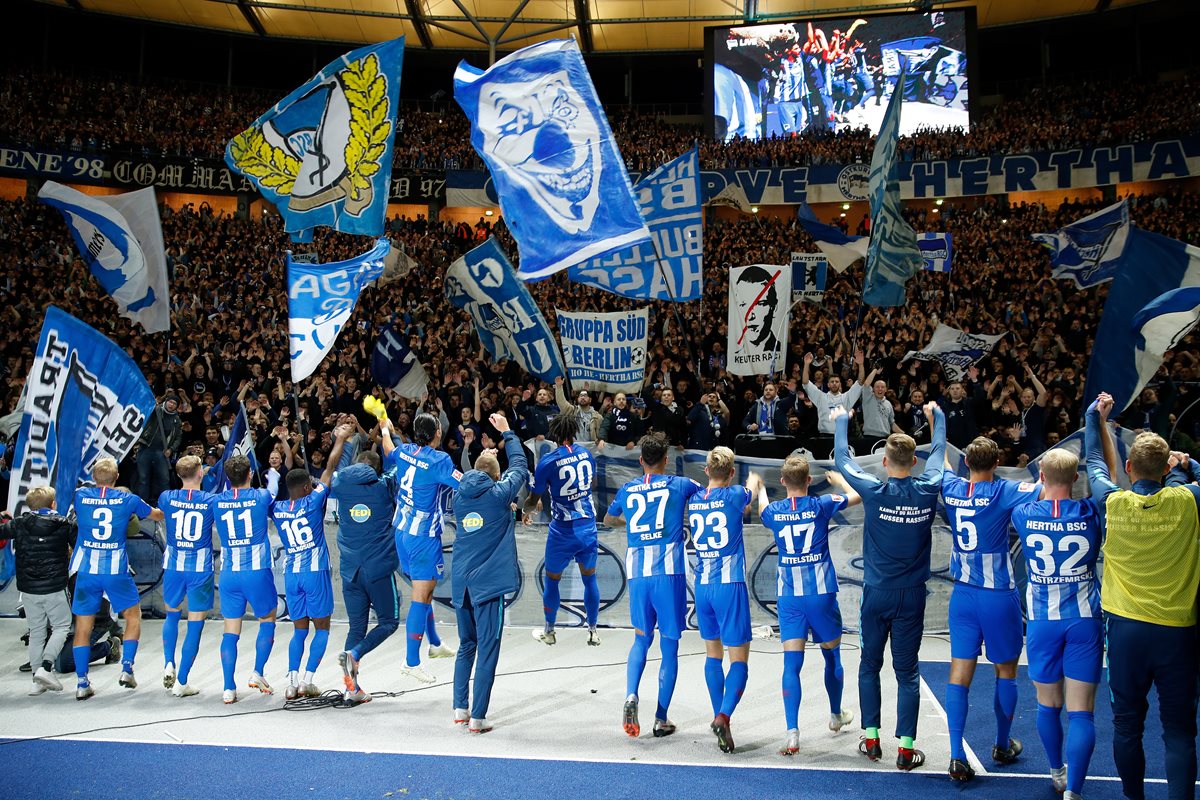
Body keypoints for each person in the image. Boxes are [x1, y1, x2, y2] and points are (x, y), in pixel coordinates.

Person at [1086, 392, 1200, 800]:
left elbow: (1096, 464)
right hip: (1178, 634)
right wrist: (1187, 466)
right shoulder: (1189, 499)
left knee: (1127, 724)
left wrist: (1092, 419)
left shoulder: (1113, 504)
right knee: (1180, 731)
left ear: (1129, 468)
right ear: (1167, 466)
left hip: (1127, 632)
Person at [832, 402, 945, 770]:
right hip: (912, 595)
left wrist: (843, 421)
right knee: (907, 671)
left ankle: (872, 739)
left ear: (884, 462)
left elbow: (843, 462)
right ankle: (907, 748)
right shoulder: (929, 488)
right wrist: (937, 419)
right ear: (915, 462)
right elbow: (940, 452)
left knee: (869, 664)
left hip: (876, 594)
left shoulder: (874, 491)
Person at [939, 437, 1040, 781]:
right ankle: (1001, 744)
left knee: (959, 673)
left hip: (963, 596)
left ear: (966, 462)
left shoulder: (950, 486)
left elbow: (939, 460)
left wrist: (938, 423)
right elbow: (1045, 488)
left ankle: (955, 755)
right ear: (997, 463)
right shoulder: (1004, 491)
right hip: (997, 594)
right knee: (1006, 672)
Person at [1012, 447, 1104, 800]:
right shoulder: (1090, 511)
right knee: (1082, 714)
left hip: (1041, 623)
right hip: (1083, 620)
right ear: (1077, 479)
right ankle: (1075, 792)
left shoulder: (1024, 514)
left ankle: (1056, 772)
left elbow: (1036, 493)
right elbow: (1103, 481)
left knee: (1048, 704)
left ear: (1042, 478)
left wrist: (1042, 483)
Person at [604, 433, 704, 739]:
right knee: (669, 645)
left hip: (638, 574)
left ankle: (632, 695)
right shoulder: (680, 484)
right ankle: (661, 717)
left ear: (640, 461)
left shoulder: (628, 488)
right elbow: (707, 495)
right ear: (666, 460)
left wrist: (631, 524)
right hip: (668, 573)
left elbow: (608, 519)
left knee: (640, 639)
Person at [759, 455, 859, 756]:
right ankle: (835, 714)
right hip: (821, 594)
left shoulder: (774, 511)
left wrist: (761, 488)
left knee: (792, 665)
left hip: (789, 598)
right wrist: (839, 480)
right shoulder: (820, 505)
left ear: (782, 482)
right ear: (810, 481)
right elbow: (856, 496)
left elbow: (762, 507)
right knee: (832, 657)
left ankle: (792, 734)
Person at [451, 413, 528, 733]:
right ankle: (478, 718)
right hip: (487, 587)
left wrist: (484, 461)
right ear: (497, 479)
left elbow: (475, 477)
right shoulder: (499, 495)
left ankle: (459, 709)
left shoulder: (459, 497)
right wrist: (508, 433)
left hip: (461, 585)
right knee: (487, 649)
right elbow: (520, 467)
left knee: (466, 646)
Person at [688, 447, 763, 753]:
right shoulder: (734, 495)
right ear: (731, 473)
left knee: (712, 656)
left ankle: (720, 717)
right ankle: (723, 715)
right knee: (740, 662)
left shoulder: (693, 501)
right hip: (729, 585)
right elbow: (752, 492)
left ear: (706, 471)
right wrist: (756, 480)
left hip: (702, 585)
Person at [71, 457, 164, 700]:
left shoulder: (80, 495)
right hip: (115, 571)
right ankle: (127, 668)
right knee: (133, 616)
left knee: (83, 626)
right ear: (117, 478)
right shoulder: (128, 499)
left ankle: (82, 682)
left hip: (87, 571)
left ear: (93, 477)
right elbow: (156, 515)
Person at [269, 424, 349, 700]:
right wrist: (340, 438)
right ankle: (308, 680)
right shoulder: (313, 502)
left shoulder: (277, 509)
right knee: (322, 628)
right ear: (306, 487)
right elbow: (329, 467)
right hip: (315, 571)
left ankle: (291, 683)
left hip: (291, 573)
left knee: (298, 631)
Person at [381, 411, 460, 684]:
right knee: (421, 594)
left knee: (424, 592)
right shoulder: (440, 460)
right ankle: (411, 661)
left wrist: (384, 429)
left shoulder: (403, 452)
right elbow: (462, 482)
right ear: (437, 433)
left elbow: (389, 448)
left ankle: (435, 644)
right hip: (423, 536)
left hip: (401, 530)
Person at [524, 407, 601, 647]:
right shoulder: (587, 454)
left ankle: (550, 630)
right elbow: (593, 484)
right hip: (587, 526)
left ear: (554, 434)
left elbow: (533, 500)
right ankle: (593, 630)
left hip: (563, 531)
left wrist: (525, 510)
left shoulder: (548, 461)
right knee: (590, 579)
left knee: (552, 580)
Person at [331, 444, 400, 703]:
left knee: (356, 627)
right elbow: (401, 463)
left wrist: (346, 442)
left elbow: (338, 467)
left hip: (350, 571)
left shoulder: (340, 486)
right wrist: (387, 433)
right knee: (389, 622)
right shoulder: (383, 488)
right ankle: (356, 653)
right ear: (376, 470)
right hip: (378, 569)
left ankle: (353, 690)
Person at [210, 454, 277, 704]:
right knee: (267, 618)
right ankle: (258, 672)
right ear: (250, 474)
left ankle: (228, 688)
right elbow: (273, 489)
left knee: (230, 630)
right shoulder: (260, 496)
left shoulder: (217, 501)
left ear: (228, 479)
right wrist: (273, 475)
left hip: (228, 574)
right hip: (256, 572)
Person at [0, 486, 76, 695]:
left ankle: (37, 680)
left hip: (28, 589)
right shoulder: (64, 524)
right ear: (53, 504)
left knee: (36, 632)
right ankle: (46, 667)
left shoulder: (19, 523)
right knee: (61, 627)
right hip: (54, 586)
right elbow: (79, 546)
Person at [158, 456, 216, 697]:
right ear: (200, 473)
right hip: (199, 567)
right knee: (195, 622)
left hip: (173, 565)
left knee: (171, 615)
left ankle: (168, 662)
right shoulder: (211, 500)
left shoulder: (166, 497)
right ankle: (181, 681)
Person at [134, 394, 183, 505]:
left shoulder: (177, 420)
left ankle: (166, 505)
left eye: (174, 404)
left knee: (164, 480)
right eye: (170, 402)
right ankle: (142, 505)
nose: (171, 405)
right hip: (146, 448)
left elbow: (178, 438)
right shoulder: (155, 410)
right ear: (166, 401)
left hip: (162, 452)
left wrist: (171, 449)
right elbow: (144, 412)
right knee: (143, 478)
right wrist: (153, 405)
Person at [803, 352, 865, 435]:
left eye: (837, 382)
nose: (834, 383)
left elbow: (860, 382)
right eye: (832, 382)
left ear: (840, 384)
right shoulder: (820, 396)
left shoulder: (847, 397)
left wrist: (861, 364)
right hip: (823, 436)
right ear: (828, 384)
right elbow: (805, 383)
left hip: (841, 436)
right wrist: (806, 364)